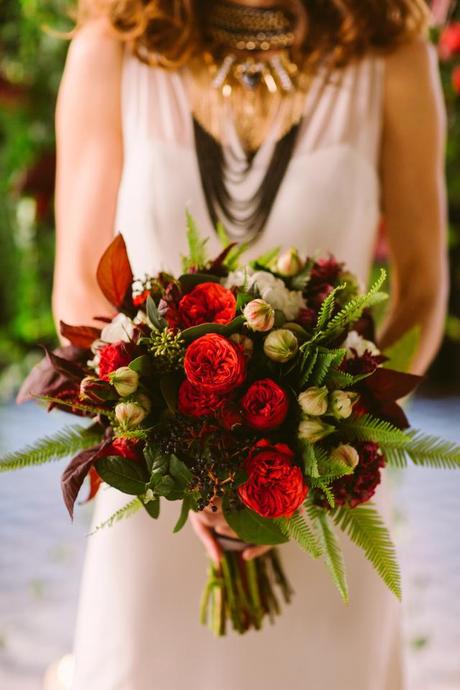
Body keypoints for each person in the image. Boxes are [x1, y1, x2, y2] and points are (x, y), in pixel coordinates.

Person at [52, 1, 448, 689]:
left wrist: (330, 435)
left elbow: (420, 290)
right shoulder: (111, 46)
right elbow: (80, 289)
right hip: (156, 496)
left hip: (326, 499)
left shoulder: (393, 56)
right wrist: (187, 459)